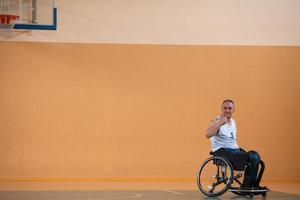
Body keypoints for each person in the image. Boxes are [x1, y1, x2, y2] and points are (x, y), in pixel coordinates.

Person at [205, 99, 265, 190]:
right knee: (253, 156)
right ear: (221, 109)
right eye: (225, 108)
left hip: (235, 151)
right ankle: (246, 186)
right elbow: (207, 134)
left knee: (256, 158)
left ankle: (252, 185)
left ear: (233, 110)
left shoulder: (233, 122)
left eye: (229, 108)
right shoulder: (216, 120)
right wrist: (221, 122)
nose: (227, 110)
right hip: (222, 151)